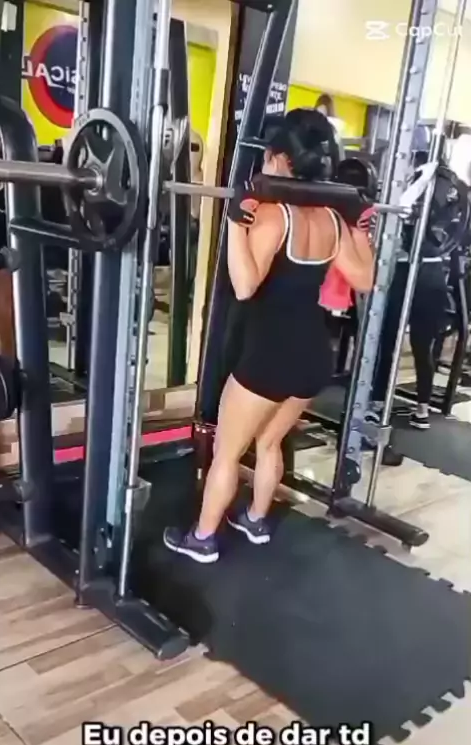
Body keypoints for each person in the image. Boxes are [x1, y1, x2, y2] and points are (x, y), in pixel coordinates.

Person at [163, 108, 374, 564]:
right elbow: (365, 279)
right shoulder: (331, 219)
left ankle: (202, 538)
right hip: (314, 355)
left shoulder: (274, 217)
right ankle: (256, 520)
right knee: (270, 441)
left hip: (269, 358)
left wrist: (235, 223)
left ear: (279, 158)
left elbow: (244, 286)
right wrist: (360, 229)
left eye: (267, 155)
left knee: (226, 453)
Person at [367, 152, 449, 430]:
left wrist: (421, 179)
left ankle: (378, 402)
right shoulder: (455, 190)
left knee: (390, 338)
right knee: (422, 344)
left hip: (411, 270)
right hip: (432, 271)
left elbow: (402, 208)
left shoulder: (424, 183)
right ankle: (421, 408)